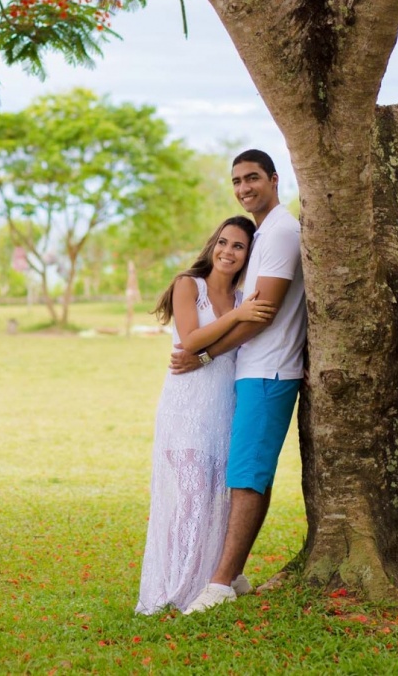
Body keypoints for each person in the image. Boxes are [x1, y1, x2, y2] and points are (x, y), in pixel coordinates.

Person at [170, 149, 308, 615]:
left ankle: (220, 584)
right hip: (252, 370)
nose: (245, 187)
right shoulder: (263, 232)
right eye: (237, 181)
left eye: (253, 178)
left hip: (269, 369)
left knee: (247, 477)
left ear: (273, 179)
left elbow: (263, 316)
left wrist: (207, 354)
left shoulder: (282, 231)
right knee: (250, 474)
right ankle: (237, 572)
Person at [135, 216, 277, 614]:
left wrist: (241, 310)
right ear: (212, 244)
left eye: (238, 247)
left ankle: (211, 579)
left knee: (216, 494)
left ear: (248, 256)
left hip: (223, 403)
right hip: (187, 403)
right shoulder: (188, 285)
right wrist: (237, 315)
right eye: (224, 242)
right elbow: (191, 339)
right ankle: (175, 585)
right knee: (189, 494)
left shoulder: (242, 295)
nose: (228, 252)